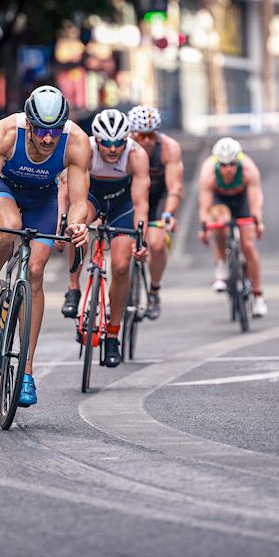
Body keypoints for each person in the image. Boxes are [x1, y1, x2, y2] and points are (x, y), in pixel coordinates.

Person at [0, 86, 91, 408]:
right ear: (29, 124)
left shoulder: (76, 142)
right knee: (8, 230)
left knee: (36, 270)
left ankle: (26, 372)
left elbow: (78, 202)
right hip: (6, 190)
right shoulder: (6, 132)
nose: (48, 139)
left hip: (44, 199)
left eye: (55, 131)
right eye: (41, 130)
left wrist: (77, 224)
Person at [58, 109, 149, 369]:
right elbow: (67, 190)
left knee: (121, 266)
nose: (111, 149)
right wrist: (63, 222)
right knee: (77, 227)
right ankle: (73, 287)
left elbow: (141, 202)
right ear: (95, 140)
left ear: (127, 139)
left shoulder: (136, 155)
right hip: (91, 196)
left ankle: (112, 335)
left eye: (118, 143)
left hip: (122, 205)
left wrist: (140, 239)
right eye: (105, 143)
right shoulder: (84, 149)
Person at [197, 136, 268, 318]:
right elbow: (204, 206)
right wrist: (204, 227)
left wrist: (257, 221)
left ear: (238, 161)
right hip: (221, 202)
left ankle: (258, 295)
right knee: (220, 222)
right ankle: (221, 264)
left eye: (231, 164)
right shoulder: (208, 173)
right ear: (217, 163)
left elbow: (255, 200)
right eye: (223, 165)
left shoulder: (249, 170)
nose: (228, 169)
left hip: (242, 200)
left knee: (248, 245)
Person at [127, 105, 183, 321]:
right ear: (132, 134)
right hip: (132, 195)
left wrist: (169, 214)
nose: (147, 141)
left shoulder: (169, 148)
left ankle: (154, 291)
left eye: (151, 135)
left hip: (158, 197)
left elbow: (175, 187)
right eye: (142, 135)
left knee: (158, 243)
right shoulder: (125, 148)